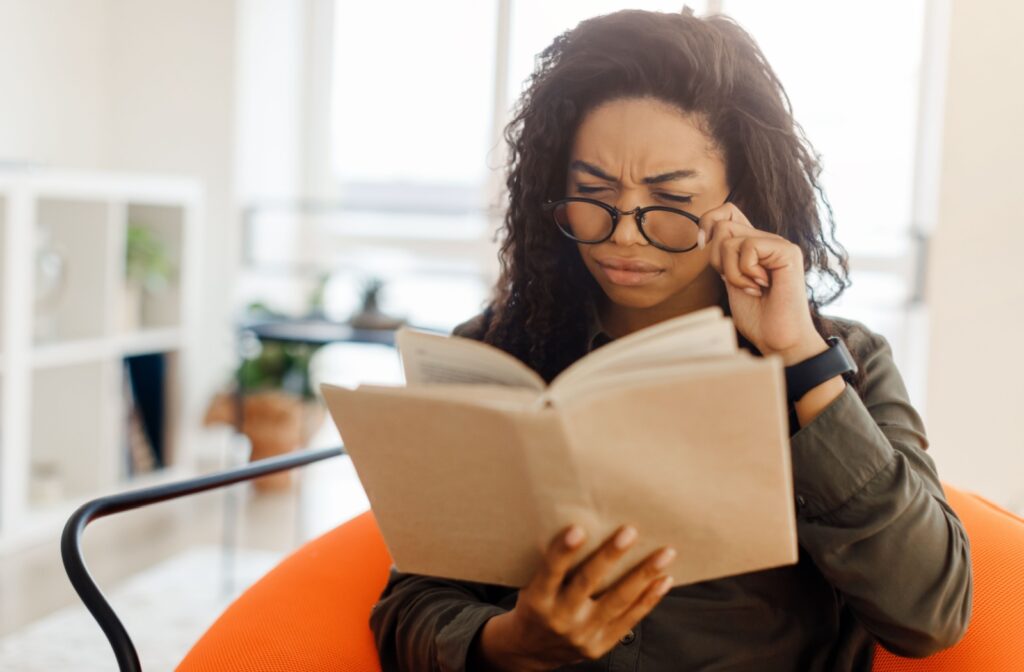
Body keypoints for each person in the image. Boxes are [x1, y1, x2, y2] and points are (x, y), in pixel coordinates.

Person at [369, 8, 972, 671]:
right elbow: (412, 606)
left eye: (671, 199)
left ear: (738, 198)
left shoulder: (840, 360)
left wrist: (798, 360)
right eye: (591, 192)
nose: (624, 235)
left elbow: (930, 614)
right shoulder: (495, 352)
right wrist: (512, 643)